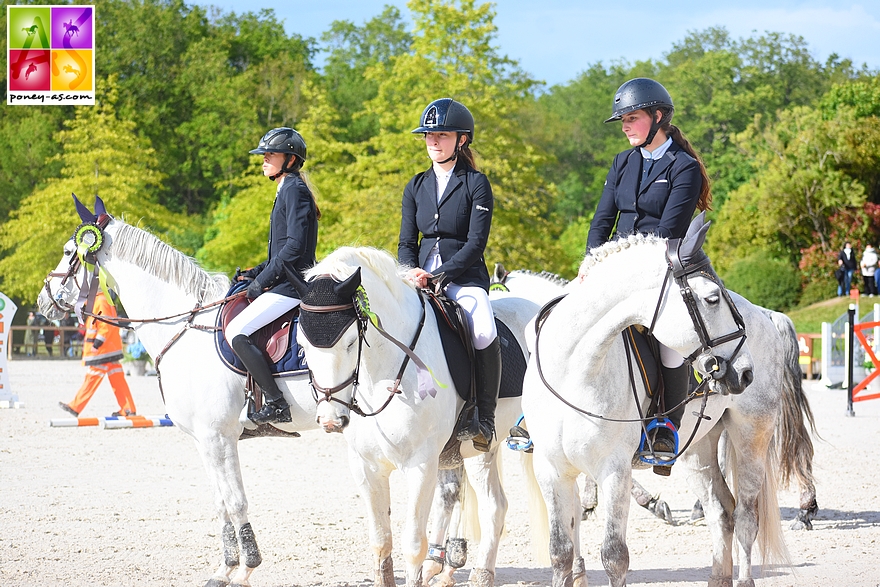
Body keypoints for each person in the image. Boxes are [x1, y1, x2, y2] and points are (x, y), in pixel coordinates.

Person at [581, 78, 713, 475]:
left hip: (664, 267)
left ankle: (665, 428)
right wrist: (590, 264)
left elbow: (668, 232)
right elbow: (602, 220)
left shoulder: (684, 168)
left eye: (631, 117)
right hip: (613, 267)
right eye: (622, 119)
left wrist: (618, 266)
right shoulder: (623, 162)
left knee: (670, 343)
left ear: (658, 117)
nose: (624, 125)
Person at [398, 97, 500, 452]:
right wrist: (410, 270)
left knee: (484, 328)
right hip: (419, 277)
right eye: (429, 135)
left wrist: (439, 275)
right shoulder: (415, 186)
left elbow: (476, 243)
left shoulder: (476, 184)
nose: (433, 141)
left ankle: (484, 416)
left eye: (441, 135)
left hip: (464, 276)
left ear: (462, 140)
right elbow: (406, 241)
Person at [226, 127, 319, 425]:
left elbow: (294, 247)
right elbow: (278, 250)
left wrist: (260, 283)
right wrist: (254, 272)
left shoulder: (294, 189)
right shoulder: (286, 188)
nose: (264, 159)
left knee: (237, 332)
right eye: (264, 155)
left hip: (291, 286)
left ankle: (277, 402)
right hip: (282, 281)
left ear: (290, 159)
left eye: (270, 154)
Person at [59, 291, 137, 417]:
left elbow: (105, 325)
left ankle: (75, 406)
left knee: (92, 378)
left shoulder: (100, 301)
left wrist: (97, 344)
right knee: (117, 379)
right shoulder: (100, 300)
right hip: (108, 349)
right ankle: (128, 409)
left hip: (102, 350)